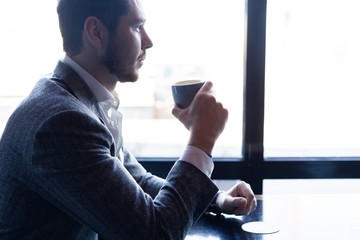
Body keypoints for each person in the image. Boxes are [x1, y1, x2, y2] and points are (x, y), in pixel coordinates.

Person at [0, 0, 256, 239]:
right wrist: (202, 139)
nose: (149, 41)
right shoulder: (62, 123)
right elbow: (154, 233)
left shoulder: (76, 98)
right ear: (96, 33)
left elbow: (137, 182)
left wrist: (216, 199)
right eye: (137, 27)